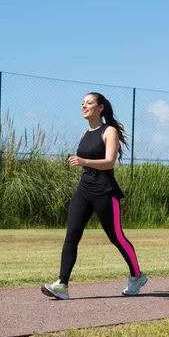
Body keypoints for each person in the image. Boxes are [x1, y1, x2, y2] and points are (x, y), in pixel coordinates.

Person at [41, 92, 147, 300]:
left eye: (89, 103)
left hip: (105, 191)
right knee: (72, 235)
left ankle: (137, 275)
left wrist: (84, 161)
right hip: (84, 190)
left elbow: (109, 162)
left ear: (100, 108)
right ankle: (62, 284)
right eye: (82, 103)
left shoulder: (110, 132)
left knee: (116, 237)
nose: (84, 106)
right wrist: (83, 163)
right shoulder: (84, 134)